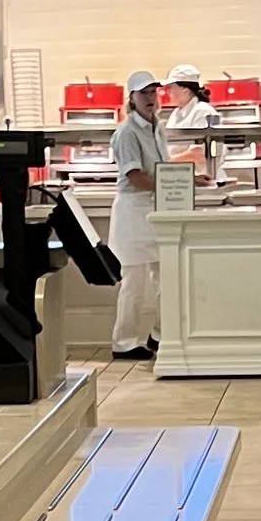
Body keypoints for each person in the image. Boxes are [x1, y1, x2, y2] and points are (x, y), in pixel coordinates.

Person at [107, 69, 167, 357]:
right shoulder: (126, 133)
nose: (150, 98)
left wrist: (190, 180)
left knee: (167, 277)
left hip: (155, 210)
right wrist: (173, 184)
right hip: (133, 212)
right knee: (133, 281)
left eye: (153, 92)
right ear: (131, 98)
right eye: (144, 93)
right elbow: (136, 178)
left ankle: (160, 334)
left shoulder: (158, 127)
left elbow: (162, 170)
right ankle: (124, 342)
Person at [161, 63, 220, 187]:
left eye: (172, 87)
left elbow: (200, 153)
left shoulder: (204, 111)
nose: (169, 92)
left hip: (203, 182)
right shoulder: (176, 114)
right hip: (181, 182)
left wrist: (164, 162)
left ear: (185, 89)